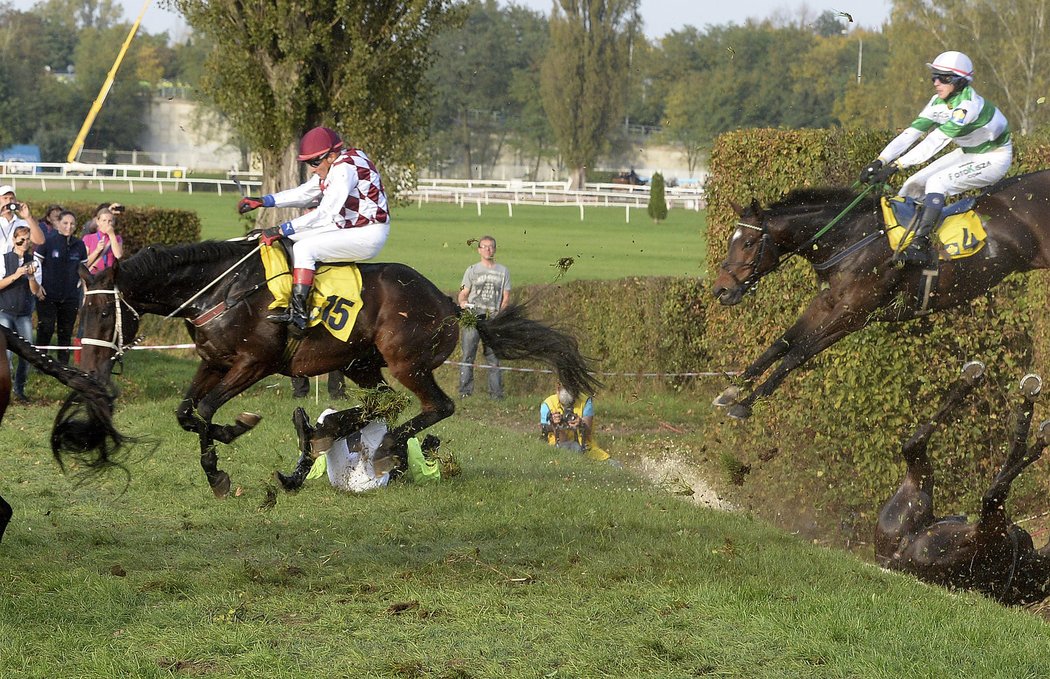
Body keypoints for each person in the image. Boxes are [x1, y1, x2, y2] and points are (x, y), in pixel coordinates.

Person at [859, 51, 1012, 267]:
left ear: (959, 81)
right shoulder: (937, 102)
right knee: (912, 186)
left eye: (943, 78)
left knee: (936, 183)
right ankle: (907, 239)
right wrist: (881, 160)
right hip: (970, 151)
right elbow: (911, 133)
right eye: (934, 77)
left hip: (994, 157)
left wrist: (898, 165)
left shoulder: (967, 107)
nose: (936, 83)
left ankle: (920, 244)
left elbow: (934, 142)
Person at [237, 126, 391, 336]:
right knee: (287, 241)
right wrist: (264, 201)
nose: (311, 168)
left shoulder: (344, 170)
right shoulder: (336, 164)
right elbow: (305, 193)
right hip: (348, 227)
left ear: (331, 155)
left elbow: (325, 214)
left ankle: (299, 315)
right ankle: (295, 298)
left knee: (304, 249)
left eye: (314, 162)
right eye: (308, 163)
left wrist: (281, 228)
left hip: (368, 233)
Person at [457, 236, 511, 399]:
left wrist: (499, 315)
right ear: (479, 250)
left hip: (492, 320)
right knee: (468, 356)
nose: (488, 249)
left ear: (495, 249)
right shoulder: (472, 270)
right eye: (484, 247)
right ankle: (465, 392)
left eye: (491, 247)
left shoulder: (503, 271)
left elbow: (506, 297)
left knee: (494, 358)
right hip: (473, 318)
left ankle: (496, 394)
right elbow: (463, 292)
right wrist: (462, 303)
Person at [35, 210, 87, 365]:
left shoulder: (80, 245)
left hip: (70, 296)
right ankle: (40, 363)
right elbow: (36, 265)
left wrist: (84, 292)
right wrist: (37, 287)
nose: (69, 227)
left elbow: (83, 270)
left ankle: (63, 364)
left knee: (66, 330)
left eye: (72, 224)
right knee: (46, 328)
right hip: (47, 294)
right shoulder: (47, 242)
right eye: (65, 223)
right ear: (58, 224)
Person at [0, 225, 42, 401]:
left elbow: (35, 291)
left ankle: (20, 388)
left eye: (27, 239)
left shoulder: (34, 261)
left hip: (24, 313)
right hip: (4, 311)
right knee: (5, 355)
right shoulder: (3, 259)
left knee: (27, 352)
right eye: (21, 239)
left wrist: (31, 277)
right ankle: (5, 390)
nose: (24, 243)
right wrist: (16, 275)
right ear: (14, 240)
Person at [540, 383, 595, 454]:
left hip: (586, 448)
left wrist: (581, 423)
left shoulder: (585, 401)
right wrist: (554, 424)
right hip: (555, 448)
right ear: (558, 389)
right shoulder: (548, 404)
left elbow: (588, 431)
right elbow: (544, 429)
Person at [0, 185, 45, 255]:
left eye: (11, 198)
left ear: (15, 201)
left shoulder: (22, 223)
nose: (8, 201)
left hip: (14, 263)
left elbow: (40, 241)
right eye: (5, 198)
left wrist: (28, 217)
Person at [82, 207, 124, 273]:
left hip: (110, 276)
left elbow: (118, 255)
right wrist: (97, 251)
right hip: (94, 276)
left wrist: (111, 235)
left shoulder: (117, 238)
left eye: (110, 221)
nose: (107, 223)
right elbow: (84, 263)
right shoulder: (88, 238)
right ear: (98, 222)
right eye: (104, 220)